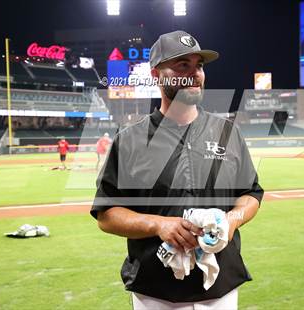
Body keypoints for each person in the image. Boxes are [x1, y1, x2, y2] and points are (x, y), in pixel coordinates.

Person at [91, 30, 264, 309]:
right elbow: (107, 214)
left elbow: (251, 193)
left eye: (199, 65)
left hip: (221, 288)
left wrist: (233, 219)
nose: (195, 73)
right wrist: (158, 225)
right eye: (183, 65)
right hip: (156, 292)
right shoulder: (130, 140)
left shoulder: (227, 133)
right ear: (157, 75)